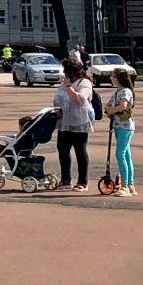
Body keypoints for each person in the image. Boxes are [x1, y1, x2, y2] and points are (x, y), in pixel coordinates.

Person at [54, 57, 95, 190]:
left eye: (66, 71)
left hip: (79, 121)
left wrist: (68, 87)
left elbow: (80, 100)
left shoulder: (85, 83)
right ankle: (66, 180)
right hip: (64, 121)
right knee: (63, 150)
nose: (64, 74)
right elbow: (59, 98)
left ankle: (83, 182)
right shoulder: (65, 82)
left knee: (80, 151)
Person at [104, 66, 137, 195]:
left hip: (125, 127)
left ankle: (125, 186)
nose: (111, 78)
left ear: (118, 78)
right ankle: (130, 184)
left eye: (113, 76)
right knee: (126, 155)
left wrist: (111, 110)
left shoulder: (125, 92)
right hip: (118, 126)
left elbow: (122, 106)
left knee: (120, 154)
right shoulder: (117, 92)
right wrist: (110, 110)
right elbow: (107, 106)